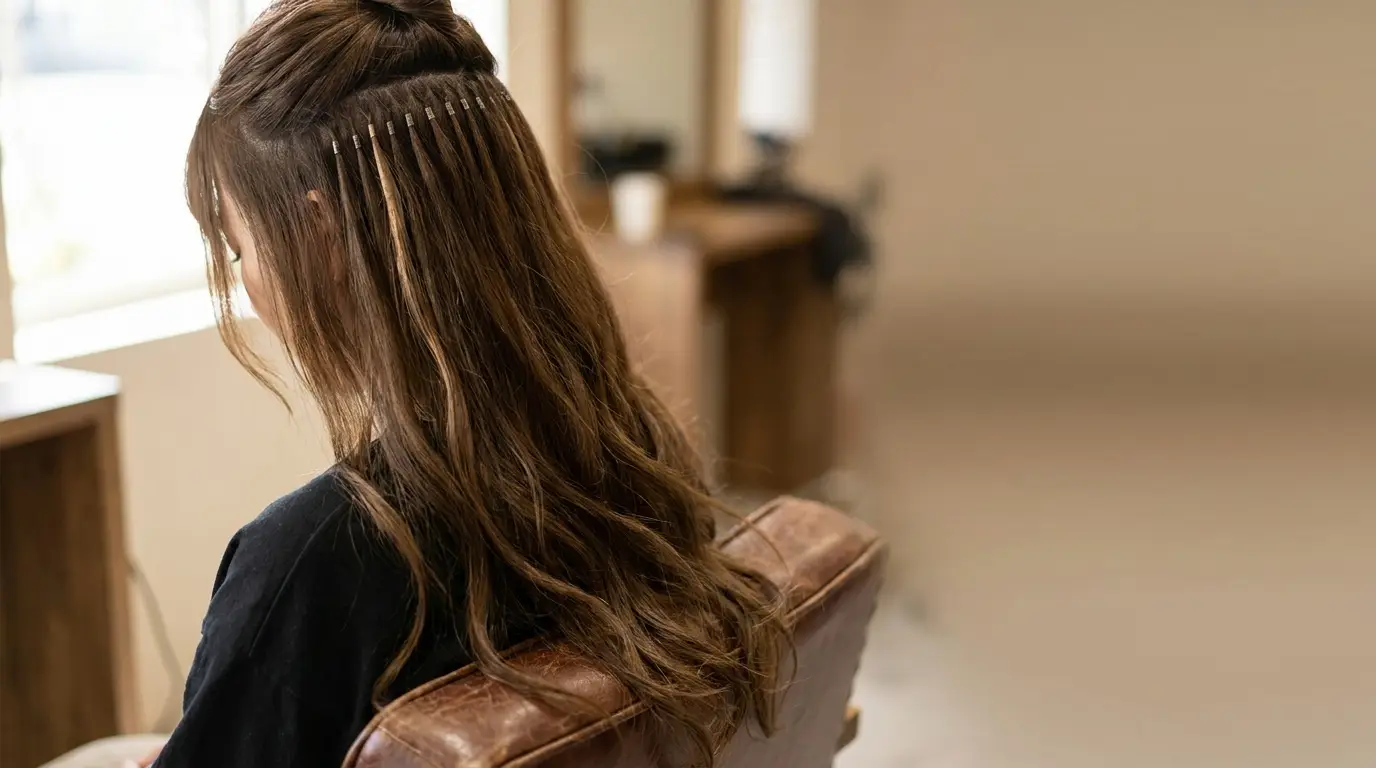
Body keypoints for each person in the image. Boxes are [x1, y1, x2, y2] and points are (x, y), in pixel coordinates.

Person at [44, 1, 789, 766]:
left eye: (239, 248)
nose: (248, 287)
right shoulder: (631, 447)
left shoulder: (314, 563)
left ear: (321, 234)